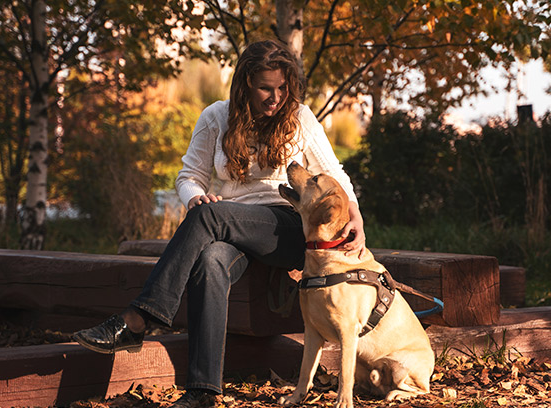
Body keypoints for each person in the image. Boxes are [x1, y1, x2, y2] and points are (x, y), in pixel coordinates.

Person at [73, 39, 366, 408]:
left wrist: (355, 213)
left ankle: (138, 318)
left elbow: (332, 172)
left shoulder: (300, 117)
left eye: (281, 87)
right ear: (244, 84)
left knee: (210, 216)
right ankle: (203, 391)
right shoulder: (216, 117)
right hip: (230, 227)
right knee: (210, 260)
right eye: (265, 88)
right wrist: (195, 196)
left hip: (288, 228)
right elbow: (189, 176)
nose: (275, 97)